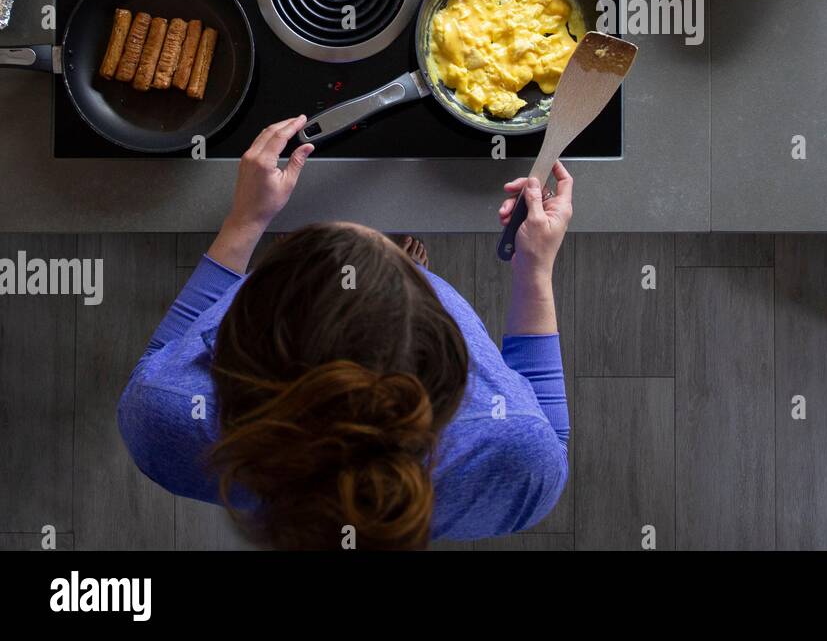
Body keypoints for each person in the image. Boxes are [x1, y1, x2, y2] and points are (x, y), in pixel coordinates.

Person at [116, 115, 572, 549]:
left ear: (230, 346)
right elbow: (552, 437)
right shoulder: (514, 457)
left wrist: (246, 219)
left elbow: (164, 355)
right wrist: (535, 270)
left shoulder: (165, 418)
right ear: (451, 365)